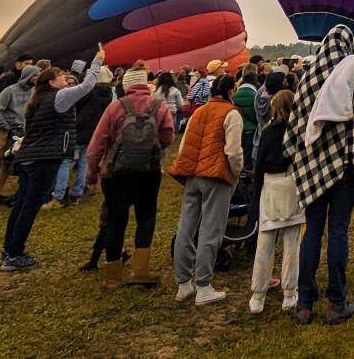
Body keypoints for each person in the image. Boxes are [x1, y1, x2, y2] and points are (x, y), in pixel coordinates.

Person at [287, 26, 354, 325]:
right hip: (345, 168)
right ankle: (336, 302)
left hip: (313, 166)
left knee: (312, 231)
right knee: (338, 231)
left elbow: (298, 124)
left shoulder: (309, 78)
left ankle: (304, 303)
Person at [0, 52, 104, 271]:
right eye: (61, 76)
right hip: (44, 160)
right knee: (30, 206)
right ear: (52, 82)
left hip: (29, 157)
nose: (66, 78)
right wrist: (97, 62)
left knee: (21, 205)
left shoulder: (37, 100)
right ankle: (15, 255)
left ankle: (8, 250)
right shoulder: (59, 97)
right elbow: (86, 86)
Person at [85, 65, 174, 289]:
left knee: (116, 219)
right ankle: (140, 271)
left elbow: (96, 144)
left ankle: (112, 276)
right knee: (146, 217)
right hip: (148, 171)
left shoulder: (116, 107)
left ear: (126, 85)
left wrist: (92, 174)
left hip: (115, 173)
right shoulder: (159, 106)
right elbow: (167, 137)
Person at [169, 75, 242, 305]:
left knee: (186, 228)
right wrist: (236, 173)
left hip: (192, 175)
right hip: (216, 177)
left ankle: (183, 284)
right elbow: (233, 152)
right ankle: (203, 285)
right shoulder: (231, 114)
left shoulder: (198, 113)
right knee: (211, 230)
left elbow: (184, 146)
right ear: (231, 91)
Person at [250, 90, 303, 313]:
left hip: (270, 186)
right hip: (291, 185)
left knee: (265, 244)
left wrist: (254, 196)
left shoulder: (268, 132)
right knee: (292, 245)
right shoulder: (297, 132)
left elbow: (258, 165)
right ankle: (289, 294)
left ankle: (258, 296)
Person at [49, 65, 115, 208]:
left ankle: (59, 194)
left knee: (65, 160)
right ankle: (78, 191)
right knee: (84, 161)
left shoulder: (89, 91)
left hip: (79, 129)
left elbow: (74, 103)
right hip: (95, 131)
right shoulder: (109, 92)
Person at [0, 65, 38, 208]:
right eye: (34, 76)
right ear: (28, 76)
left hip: (21, 132)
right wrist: (7, 126)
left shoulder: (34, 92)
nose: (36, 79)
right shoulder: (10, 91)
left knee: (7, 163)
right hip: (5, 131)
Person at [232, 69, 259, 171]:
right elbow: (257, 116)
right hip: (250, 131)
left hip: (237, 129)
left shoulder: (234, 95)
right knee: (248, 157)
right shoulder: (255, 96)